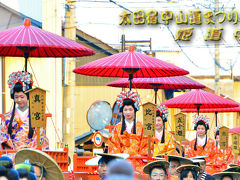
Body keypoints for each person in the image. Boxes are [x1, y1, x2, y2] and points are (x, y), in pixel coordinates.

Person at [0, 71, 49, 150]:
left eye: (22, 97)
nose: (19, 100)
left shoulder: (36, 115)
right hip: (12, 152)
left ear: (27, 96)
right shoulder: (7, 116)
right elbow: (3, 135)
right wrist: (13, 148)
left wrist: (26, 149)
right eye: (16, 97)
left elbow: (40, 136)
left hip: (30, 152)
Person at [108, 90, 146, 155]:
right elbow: (114, 145)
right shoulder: (117, 127)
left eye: (130, 109)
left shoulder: (141, 126)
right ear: (122, 111)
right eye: (125, 110)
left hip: (138, 161)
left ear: (135, 110)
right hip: (122, 161)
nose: (128, 112)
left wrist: (139, 155)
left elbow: (145, 144)